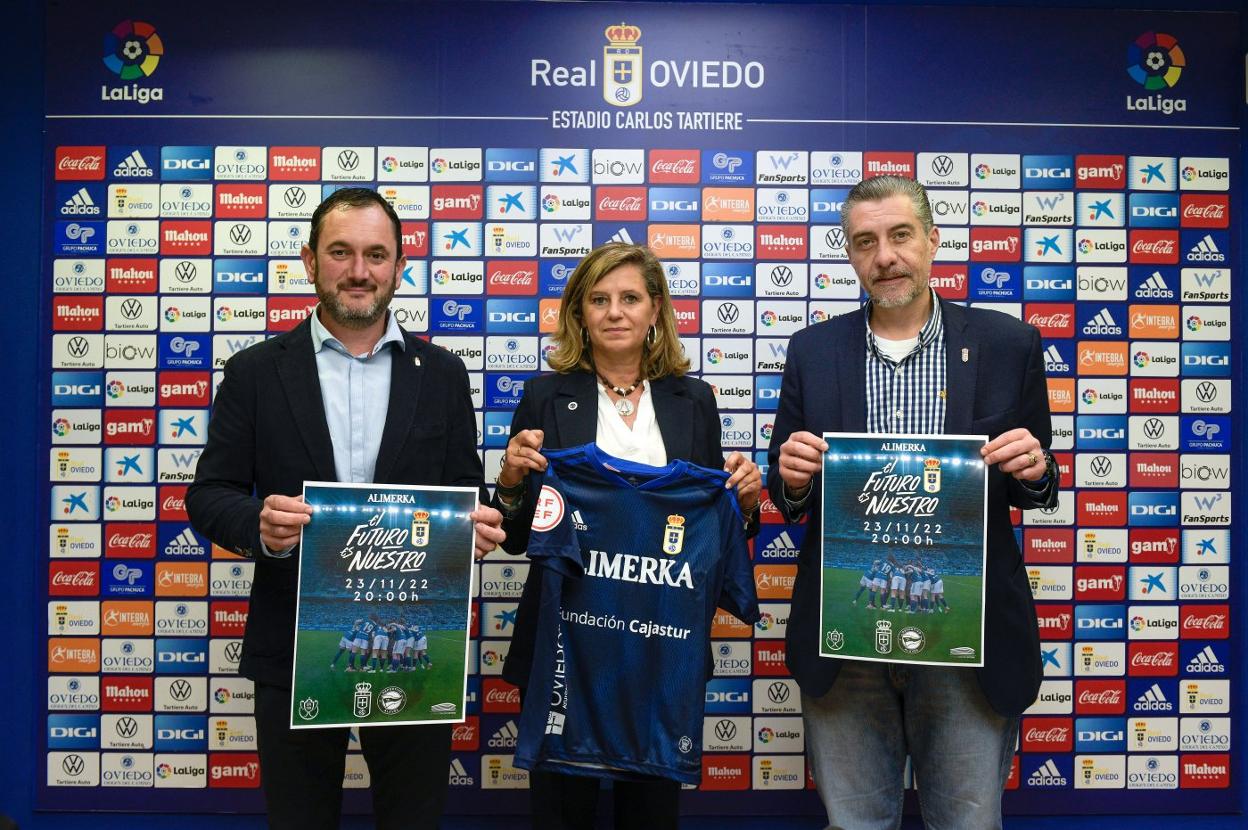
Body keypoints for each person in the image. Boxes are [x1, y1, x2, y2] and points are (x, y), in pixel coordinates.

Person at [186, 187, 504, 830]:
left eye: (375, 255)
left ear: (399, 266)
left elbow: (464, 487)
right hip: (293, 639)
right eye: (341, 252)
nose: (359, 271)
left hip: (415, 645)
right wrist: (261, 528)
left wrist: (478, 524)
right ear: (309, 261)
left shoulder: (443, 373)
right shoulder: (254, 371)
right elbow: (208, 495)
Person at [767, 175, 1057, 829]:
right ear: (849, 254)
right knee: (855, 824)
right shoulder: (812, 351)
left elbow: (1037, 484)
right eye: (865, 242)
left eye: (900, 236)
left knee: (967, 823)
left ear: (932, 240)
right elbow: (791, 496)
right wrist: (790, 477)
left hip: (966, 639)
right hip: (849, 639)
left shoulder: (1009, 344)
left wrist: (1036, 468)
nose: (885, 257)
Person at [492, 242, 762, 829]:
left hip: (659, 645)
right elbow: (517, 536)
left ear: (655, 310)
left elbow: (711, 532)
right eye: (599, 300)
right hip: (566, 646)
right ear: (579, 314)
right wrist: (511, 480)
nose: (615, 312)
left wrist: (742, 503)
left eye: (630, 298)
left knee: (651, 816)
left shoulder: (694, 401)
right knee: (563, 816)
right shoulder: (544, 397)